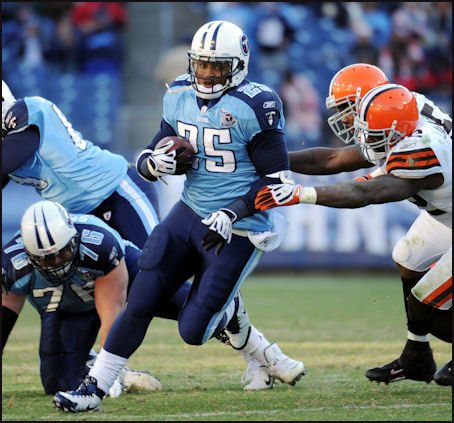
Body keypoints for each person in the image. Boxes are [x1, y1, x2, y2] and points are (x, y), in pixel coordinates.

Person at [53, 20, 306, 412]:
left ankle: (238, 318)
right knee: (142, 296)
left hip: (240, 228)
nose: (206, 75)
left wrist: (233, 210)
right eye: (201, 65)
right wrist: (153, 163)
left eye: (216, 66)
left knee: (194, 331)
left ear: (238, 65)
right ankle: (93, 390)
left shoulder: (257, 105)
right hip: (189, 212)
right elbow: (150, 152)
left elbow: (276, 181)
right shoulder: (178, 94)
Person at [1, 78, 297, 391]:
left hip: (116, 191)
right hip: (76, 218)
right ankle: (97, 365)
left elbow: (9, 158)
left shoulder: (27, 112)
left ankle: (261, 354)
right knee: (107, 289)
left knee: (151, 284)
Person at [255, 83, 452, 386]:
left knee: (426, 305)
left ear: (396, 129)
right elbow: (331, 160)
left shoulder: (422, 150)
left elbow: (364, 193)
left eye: (369, 130)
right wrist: (269, 157)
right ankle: (417, 357)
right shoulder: (404, 118)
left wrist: (299, 194)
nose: (362, 137)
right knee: (407, 258)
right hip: (445, 214)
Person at [2, 200, 163, 397]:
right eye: (46, 258)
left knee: (189, 306)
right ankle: (94, 366)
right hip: (70, 307)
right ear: (29, 254)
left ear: (73, 238)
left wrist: (108, 373)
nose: (56, 262)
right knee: (59, 383)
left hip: (122, 278)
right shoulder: (12, 266)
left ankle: (115, 370)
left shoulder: (99, 245)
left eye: (62, 253)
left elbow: (112, 311)